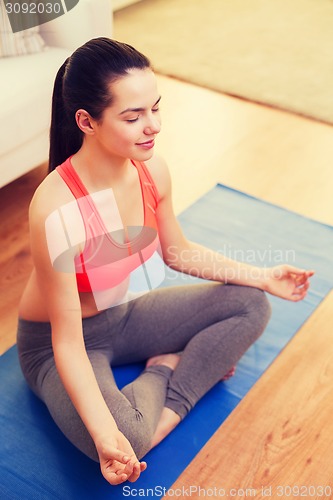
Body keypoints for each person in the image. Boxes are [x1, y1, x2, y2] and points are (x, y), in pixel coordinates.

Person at [17, 38, 314, 486]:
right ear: (86, 121)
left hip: (122, 314)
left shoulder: (152, 171)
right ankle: (167, 370)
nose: (152, 126)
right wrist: (106, 438)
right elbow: (69, 343)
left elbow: (178, 251)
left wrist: (263, 277)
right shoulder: (57, 210)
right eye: (133, 116)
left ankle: (166, 398)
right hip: (57, 344)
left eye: (156, 108)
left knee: (252, 305)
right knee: (127, 440)